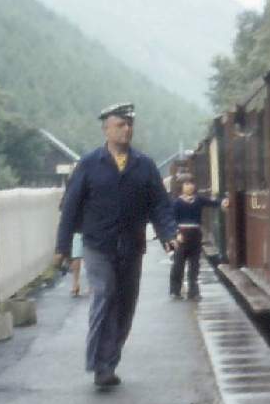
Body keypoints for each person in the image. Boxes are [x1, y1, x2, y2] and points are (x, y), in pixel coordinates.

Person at [54, 103, 177, 389]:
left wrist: (168, 232)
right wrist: (62, 246)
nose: (126, 129)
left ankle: (109, 362)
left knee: (125, 306)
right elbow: (71, 207)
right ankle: (99, 364)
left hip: (132, 246)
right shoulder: (89, 164)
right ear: (106, 129)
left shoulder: (144, 165)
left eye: (129, 124)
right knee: (105, 294)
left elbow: (159, 203)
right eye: (120, 124)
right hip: (98, 245)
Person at [168, 177, 226, 301]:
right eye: (186, 184)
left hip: (195, 234)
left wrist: (223, 202)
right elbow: (172, 220)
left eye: (191, 184)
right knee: (178, 264)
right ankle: (175, 290)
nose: (189, 186)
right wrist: (176, 233)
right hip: (182, 234)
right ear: (182, 187)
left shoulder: (198, 200)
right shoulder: (177, 203)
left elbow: (213, 202)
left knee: (194, 265)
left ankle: (193, 292)